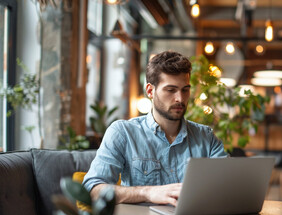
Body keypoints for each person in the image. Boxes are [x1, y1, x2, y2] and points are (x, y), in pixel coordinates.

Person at [83, 51, 227, 206]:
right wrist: (148, 192)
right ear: (150, 91)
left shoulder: (206, 137)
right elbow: (92, 189)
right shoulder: (123, 132)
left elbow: (229, 186)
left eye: (185, 89)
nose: (180, 98)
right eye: (171, 90)